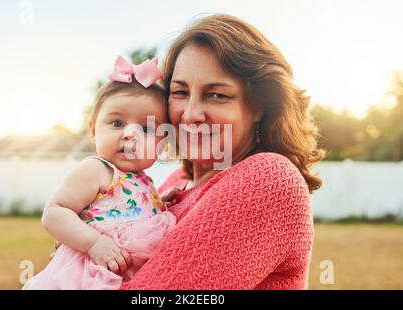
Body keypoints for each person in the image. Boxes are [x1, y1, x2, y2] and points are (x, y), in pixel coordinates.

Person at [119, 14, 325, 289]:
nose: (190, 114)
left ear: (259, 105)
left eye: (216, 95)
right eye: (180, 92)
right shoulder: (176, 182)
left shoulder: (268, 179)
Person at [23, 56, 176, 290]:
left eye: (146, 129)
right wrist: (93, 243)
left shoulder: (145, 180)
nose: (129, 134)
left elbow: (128, 211)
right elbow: (54, 212)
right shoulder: (97, 170)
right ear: (93, 130)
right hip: (89, 275)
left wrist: (159, 204)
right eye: (117, 123)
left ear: (162, 141)